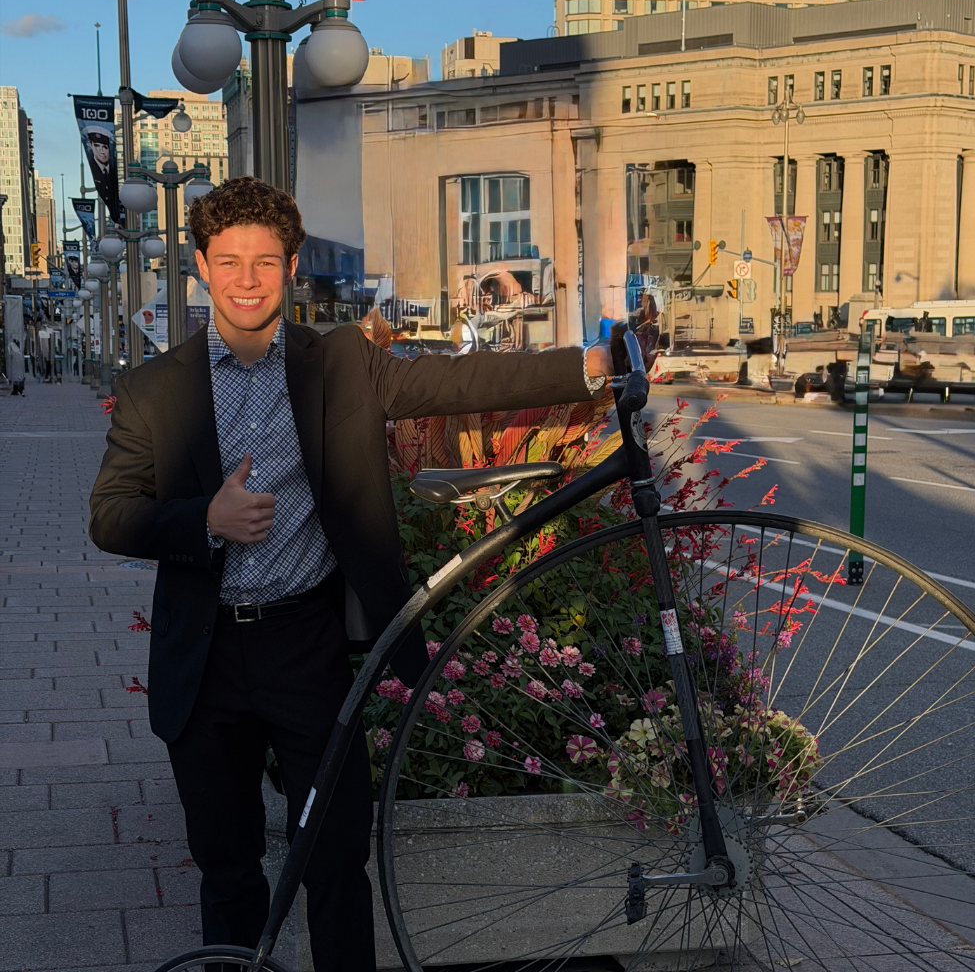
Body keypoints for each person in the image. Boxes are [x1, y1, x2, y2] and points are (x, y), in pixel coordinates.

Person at [88, 176, 613, 972]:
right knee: (228, 870)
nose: (247, 279)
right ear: (199, 266)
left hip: (306, 646)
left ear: (291, 267)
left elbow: (458, 382)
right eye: (228, 261)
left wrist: (591, 365)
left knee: (335, 861)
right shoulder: (155, 390)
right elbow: (110, 514)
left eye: (265, 261)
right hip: (205, 663)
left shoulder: (342, 364)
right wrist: (203, 521)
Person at [82, 125, 121, 220]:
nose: (101, 151)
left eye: (105, 147)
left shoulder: (113, 170)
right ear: (90, 144)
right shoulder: (96, 170)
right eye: (97, 146)